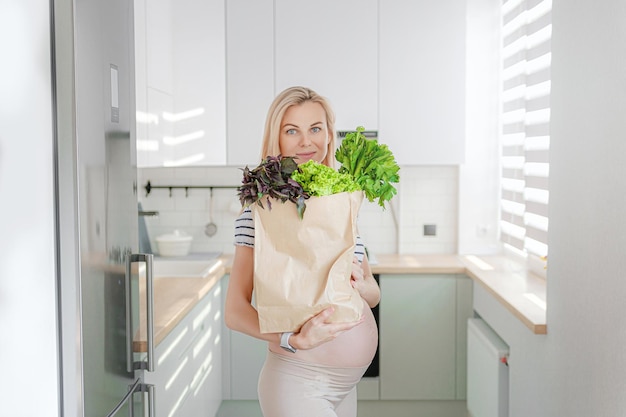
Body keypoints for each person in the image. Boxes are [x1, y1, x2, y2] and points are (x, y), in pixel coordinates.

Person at [225, 86, 380, 417]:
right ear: (276, 138)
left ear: (328, 135)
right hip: (299, 381)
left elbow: (372, 290)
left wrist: (364, 286)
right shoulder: (261, 211)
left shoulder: (341, 201)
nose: (306, 141)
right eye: (291, 130)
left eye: (315, 128)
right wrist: (291, 338)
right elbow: (234, 311)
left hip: (345, 385)